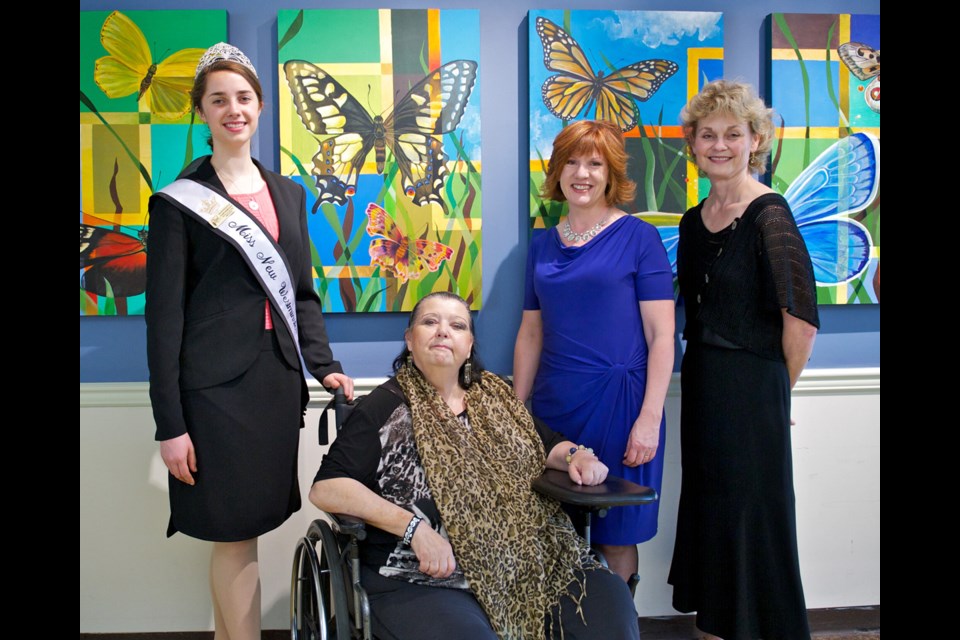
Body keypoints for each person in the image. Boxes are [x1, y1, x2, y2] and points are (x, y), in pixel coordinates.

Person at [145, 43, 353, 640]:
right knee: (232, 532)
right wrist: (170, 424)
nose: (232, 109)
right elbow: (162, 321)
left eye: (243, 98)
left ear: (260, 106)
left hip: (273, 384)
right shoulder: (179, 202)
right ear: (203, 113)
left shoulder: (288, 194)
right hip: (212, 393)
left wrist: (325, 365)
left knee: (252, 526)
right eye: (218, 100)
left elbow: (303, 296)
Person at [311, 292, 640, 640]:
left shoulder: (497, 398)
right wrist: (415, 529)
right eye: (429, 322)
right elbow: (328, 487)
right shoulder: (382, 408)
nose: (442, 331)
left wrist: (578, 456)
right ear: (410, 340)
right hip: (424, 576)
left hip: (525, 561)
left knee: (608, 609)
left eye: (456, 325)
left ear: (469, 346)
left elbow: (545, 444)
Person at [667, 80, 819, 640]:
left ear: (755, 140)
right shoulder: (691, 220)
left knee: (754, 515)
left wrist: (778, 391)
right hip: (705, 380)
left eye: (733, 134)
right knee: (714, 510)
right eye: (708, 135)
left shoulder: (769, 215)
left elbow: (800, 320)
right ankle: (717, 627)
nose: (720, 145)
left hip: (754, 386)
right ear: (694, 145)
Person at [513, 120, 675, 582]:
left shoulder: (640, 238)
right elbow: (530, 331)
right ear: (557, 171)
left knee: (615, 533)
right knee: (551, 528)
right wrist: (518, 411)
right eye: (571, 161)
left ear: (611, 174)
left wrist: (649, 418)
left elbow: (662, 336)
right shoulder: (542, 244)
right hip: (553, 406)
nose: (581, 173)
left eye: (595, 163)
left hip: (622, 406)